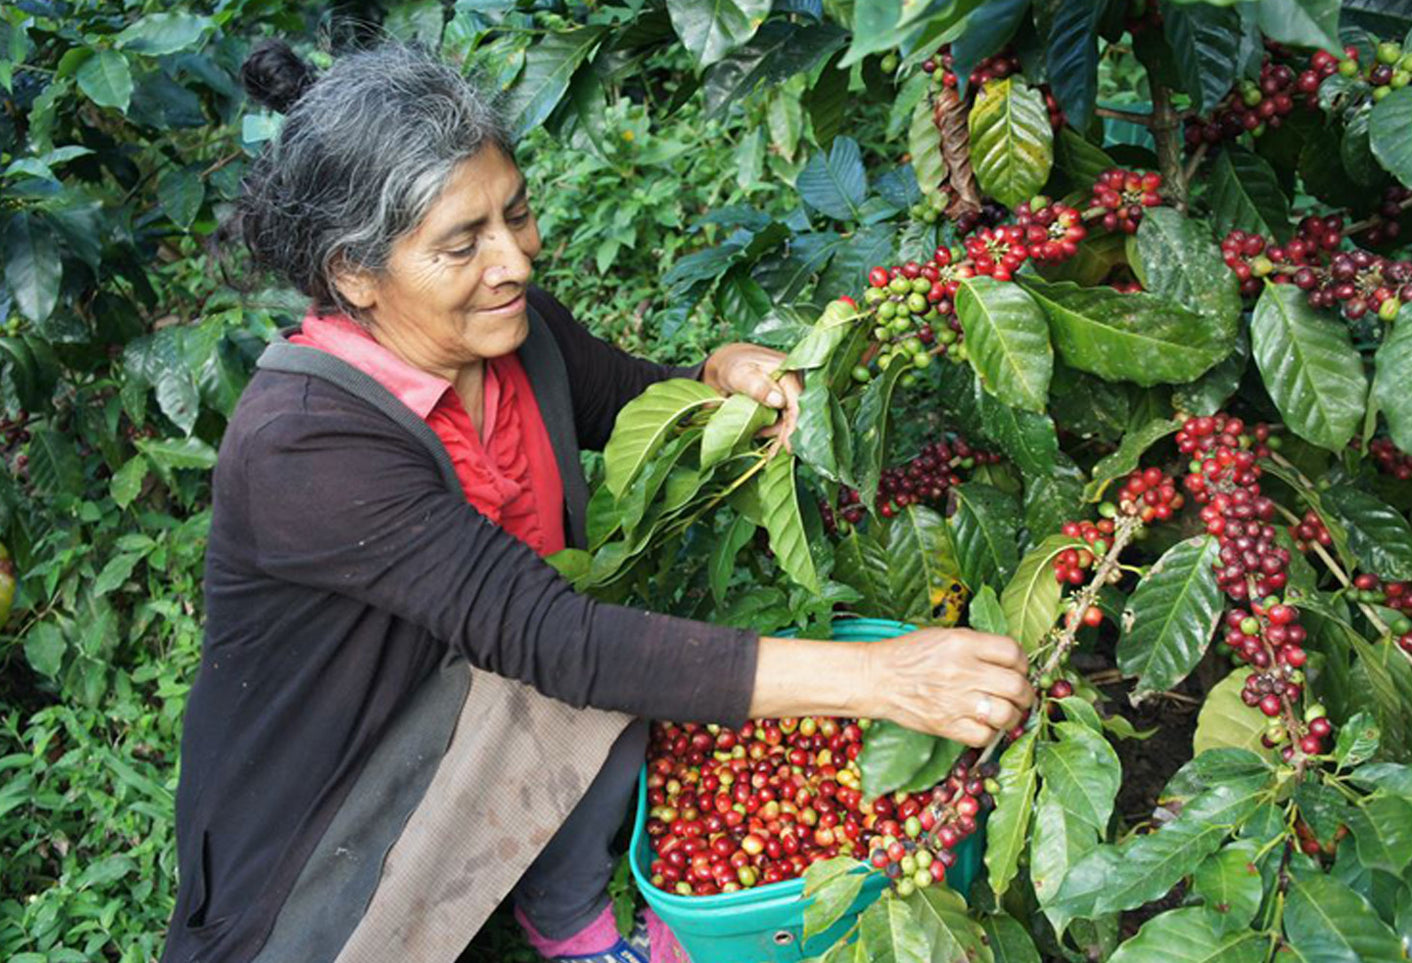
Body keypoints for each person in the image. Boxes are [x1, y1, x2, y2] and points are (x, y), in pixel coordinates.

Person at [161, 41, 1034, 963]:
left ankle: (567, 917)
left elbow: (622, 395)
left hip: (485, 685)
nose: (514, 261)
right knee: (586, 673)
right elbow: (558, 640)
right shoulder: (304, 443)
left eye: (518, 214)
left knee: (603, 694)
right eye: (463, 244)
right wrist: (880, 678)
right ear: (354, 275)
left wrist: (714, 375)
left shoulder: (510, 335)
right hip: (325, 794)